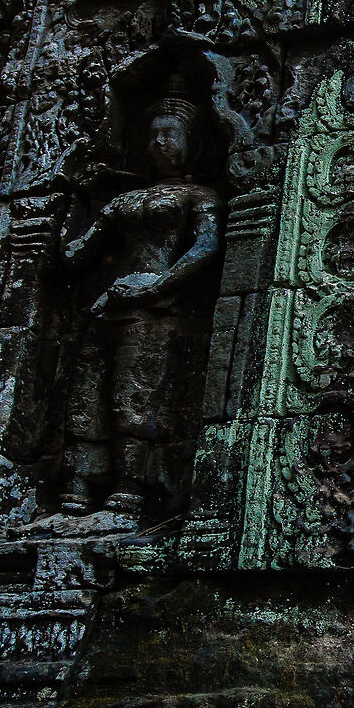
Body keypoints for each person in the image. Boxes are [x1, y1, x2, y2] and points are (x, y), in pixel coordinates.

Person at [61, 91, 221, 522]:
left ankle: (129, 491)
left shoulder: (198, 196)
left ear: (194, 141)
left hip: (154, 308)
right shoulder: (123, 200)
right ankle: (77, 487)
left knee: (132, 397)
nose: (160, 143)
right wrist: (78, 197)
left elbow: (204, 249)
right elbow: (76, 255)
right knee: (86, 396)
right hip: (108, 303)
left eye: (170, 134)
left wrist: (155, 288)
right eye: (153, 135)